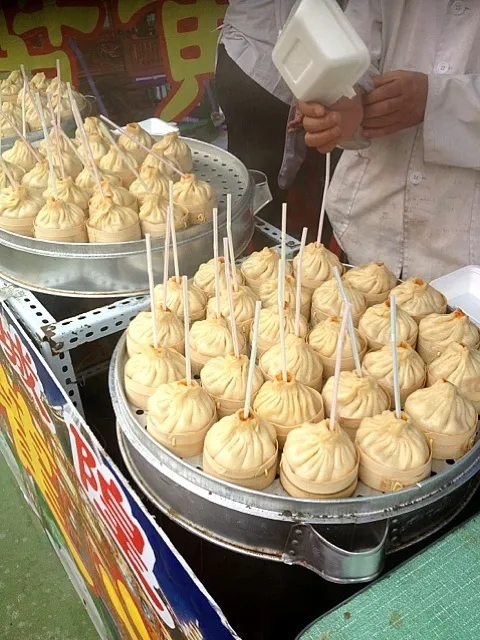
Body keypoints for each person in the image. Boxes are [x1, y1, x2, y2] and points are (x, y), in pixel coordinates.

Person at [298, 1, 480, 281]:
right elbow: (353, 50)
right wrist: (342, 96)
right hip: (367, 228)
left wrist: (438, 101)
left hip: (464, 259)